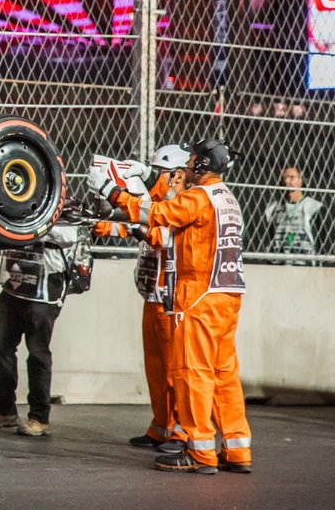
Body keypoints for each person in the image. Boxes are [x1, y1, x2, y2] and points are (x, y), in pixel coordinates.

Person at [92, 139, 253, 476]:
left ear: (203, 165)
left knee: (192, 374)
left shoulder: (197, 197)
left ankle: (200, 452)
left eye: (193, 161)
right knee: (224, 375)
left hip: (199, 297)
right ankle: (237, 451)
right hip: (227, 296)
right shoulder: (225, 198)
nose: (188, 166)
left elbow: (159, 214)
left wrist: (113, 192)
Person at [92, 145, 191, 452]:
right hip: (152, 297)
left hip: (171, 300)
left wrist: (133, 224)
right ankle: (160, 426)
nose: (152, 178)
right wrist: (101, 222)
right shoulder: (156, 203)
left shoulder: (181, 205)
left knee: (175, 370)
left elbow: (160, 237)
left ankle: (180, 432)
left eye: (159, 172)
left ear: (176, 175)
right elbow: (134, 224)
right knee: (155, 368)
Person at [0, 222, 81, 438]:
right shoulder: (12, 205)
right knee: (2, 348)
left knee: (38, 353)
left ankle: (39, 417)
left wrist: (33, 222)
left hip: (45, 292)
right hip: (14, 284)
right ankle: (4, 410)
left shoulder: (59, 204)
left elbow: (69, 235)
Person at [263, 166, 325, 262]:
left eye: (292, 177)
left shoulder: (313, 207)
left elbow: (320, 239)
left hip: (305, 263)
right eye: (285, 178)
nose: (287, 181)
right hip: (279, 264)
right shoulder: (273, 208)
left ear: (301, 180)